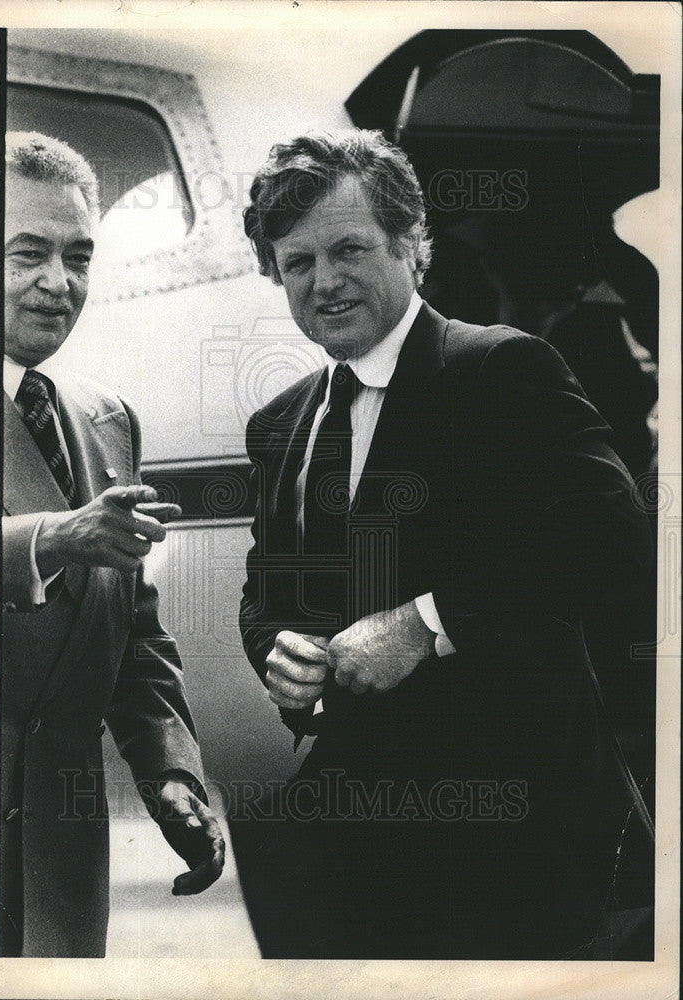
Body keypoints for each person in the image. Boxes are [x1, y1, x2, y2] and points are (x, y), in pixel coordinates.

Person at [232, 130, 654, 959]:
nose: (325, 281)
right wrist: (274, 652)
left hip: (514, 831)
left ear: (411, 246)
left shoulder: (502, 369)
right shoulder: (278, 423)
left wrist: (425, 624)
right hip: (354, 838)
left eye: (349, 247)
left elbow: (614, 539)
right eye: (297, 262)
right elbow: (266, 590)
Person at [0, 132, 224, 957]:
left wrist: (170, 769)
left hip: (60, 859)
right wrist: (54, 537)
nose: (58, 284)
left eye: (78, 257)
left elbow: (130, 627)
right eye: (28, 254)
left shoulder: (107, 418)